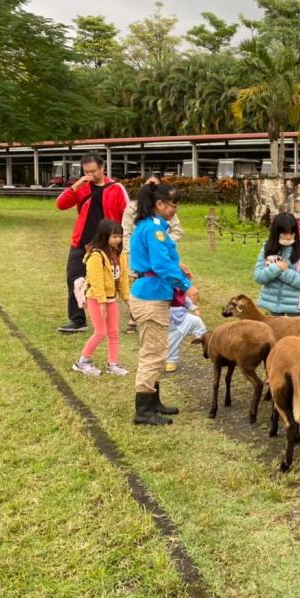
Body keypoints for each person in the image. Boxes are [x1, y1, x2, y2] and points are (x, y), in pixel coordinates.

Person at [128, 182, 198, 426]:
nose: (175, 210)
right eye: (173, 205)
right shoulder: (155, 229)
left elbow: (160, 259)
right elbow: (159, 264)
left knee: (157, 350)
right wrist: (186, 285)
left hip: (152, 294)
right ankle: (144, 410)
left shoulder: (150, 227)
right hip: (150, 297)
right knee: (153, 353)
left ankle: (153, 400)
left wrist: (178, 266)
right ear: (159, 204)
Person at [56, 153, 129, 333]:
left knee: (109, 282)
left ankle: (114, 319)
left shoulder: (117, 188)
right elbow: (61, 204)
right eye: (86, 171)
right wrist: (76, 185)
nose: (90, 175)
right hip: (81, 242)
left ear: (102, 168)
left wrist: (121, 242)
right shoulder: (81, 187)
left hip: (106, 244)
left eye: (94, 171)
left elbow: (127, 215)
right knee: (75, 280)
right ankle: (77, 320)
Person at [122, 174, 183, 334]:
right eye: (150, 186)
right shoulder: (150, 225)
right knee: (153, 350)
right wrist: (186, 286)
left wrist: (163, 247)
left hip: (155, 271)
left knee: (155, 347)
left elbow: (176, 230)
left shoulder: (157, 222)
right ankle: (133, 317)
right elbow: (126, 233)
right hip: (149, 281)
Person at [72, 219, 131, 377]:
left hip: (111, 300)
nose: (118, 240)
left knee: (113, 332)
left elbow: (123, 279)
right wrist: (102, 302)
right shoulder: (96, 256)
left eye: (120, 236)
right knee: (100, 332)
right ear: (105, 236)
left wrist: (127, 299)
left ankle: (113, 363)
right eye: (114, 236)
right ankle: (82, 362)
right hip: (96, 299)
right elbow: (96, 281)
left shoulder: (121, 255)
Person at [254, 213, 300, 316]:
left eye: (291, 233)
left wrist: (283, 271)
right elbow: (258, 277)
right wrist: (276, 268)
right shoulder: (267, 249)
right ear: (276, 232)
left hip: (293, 308)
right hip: (272, 306)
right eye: (284, 234)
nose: (288, 237)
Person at [165, 294, 206, 373]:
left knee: (197, 321)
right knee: (172, 342)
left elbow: (185, 299)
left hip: (183, 316)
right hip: (169, 321)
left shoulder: (178, 288)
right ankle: (171, 360)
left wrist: (194, 309)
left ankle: (203, 338)